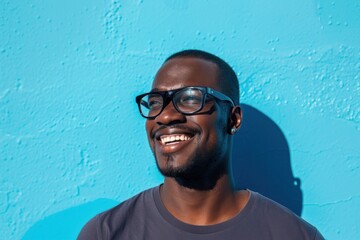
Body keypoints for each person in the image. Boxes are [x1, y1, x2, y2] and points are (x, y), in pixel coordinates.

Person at [77, 49, 324, 240]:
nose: (164, 116)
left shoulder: (293, 235)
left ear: (233, 119)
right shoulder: (107, 233)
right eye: (155, 102)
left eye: (191, 99)